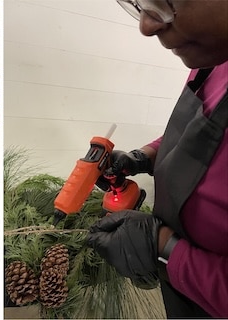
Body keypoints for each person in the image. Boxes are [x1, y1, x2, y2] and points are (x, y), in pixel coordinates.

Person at [85, 2, 228, 317]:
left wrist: (164, 247)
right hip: (179, 283)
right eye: (141, 3)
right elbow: (195, 131)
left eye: (164, 3)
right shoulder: (214, 57)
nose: (146, 26)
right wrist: (142, 157)